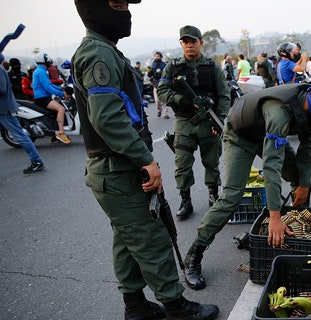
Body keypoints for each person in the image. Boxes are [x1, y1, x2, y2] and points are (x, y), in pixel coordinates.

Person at [71, 1, 220, 319]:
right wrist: (145, 159)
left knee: (126, 238)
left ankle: (136, 306)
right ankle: (177, 307)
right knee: (150, 237)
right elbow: (108, 117)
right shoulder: (98, 53)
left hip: (116, 166)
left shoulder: (105, 51)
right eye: (117, 4)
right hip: (119, 166)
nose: (126, 11)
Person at [181, 75, 311, 290]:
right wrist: (275, 217)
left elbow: (307, 153)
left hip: (266, 133)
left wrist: (303, 185)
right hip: (239, 136)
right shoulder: (280, 113)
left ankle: (299, 236)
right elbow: (272, 167)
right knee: (231, 198)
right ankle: (194, 255)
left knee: (299, 178)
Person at [157, 25, 231, 221]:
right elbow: (162, 91)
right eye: (186, 42)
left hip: (208, 121)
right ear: (181, 44)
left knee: (211, 161)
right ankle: (185, 200)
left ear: (201, 43)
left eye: (193, 41)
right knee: (182, 163)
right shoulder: (172, 67)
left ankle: (213, 194)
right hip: (184, 122)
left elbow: (224, 95)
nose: (190, 45)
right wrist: (181, 100)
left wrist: (219, 118)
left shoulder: (212, 67)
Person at [0, 53, 44, 174]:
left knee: (20, 136)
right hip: (5, 108)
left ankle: (36, 161)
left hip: (5, 109)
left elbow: (1, 89)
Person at [32, 52, 71, 144]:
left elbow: (49, 84)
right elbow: (47, 87)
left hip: (42, 97)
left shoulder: (40, 70)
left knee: (54, 113)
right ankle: (61, 133)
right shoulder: (41, 72)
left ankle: (55, 136)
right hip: (43, 98)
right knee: (61, 109)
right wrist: (61, 94)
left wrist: (61, 89)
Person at [148, 51, 168, 118]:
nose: (157, 57)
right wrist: (150, 72)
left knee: (164, 99)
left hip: (163, 83)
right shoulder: (152, 65)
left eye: (158, 56)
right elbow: (149, 75)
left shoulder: (163, 65)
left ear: (160, 57)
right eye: (155, 56)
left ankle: (165, 114)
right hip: (155, 84)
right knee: (157, 100)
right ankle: (159, 110)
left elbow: (167, 74)